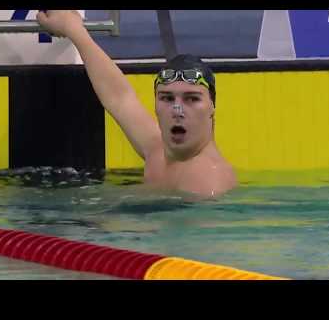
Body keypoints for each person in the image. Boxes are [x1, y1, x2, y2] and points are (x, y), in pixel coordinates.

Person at [37, 10, 237, 198]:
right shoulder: (158, 149)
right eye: (167, 98)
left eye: (191, 99)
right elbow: (119, 97)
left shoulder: (207, 182)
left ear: (212, 106)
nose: (178, 110)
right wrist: (72, 27)